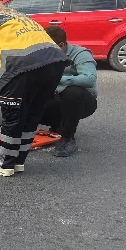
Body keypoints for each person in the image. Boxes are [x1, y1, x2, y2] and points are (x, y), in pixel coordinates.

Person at [0, 0, 68, 177]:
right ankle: (18, 161)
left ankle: (4, 164)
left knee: (12, 117)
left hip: (19, 69)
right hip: (54, 64)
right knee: (32, 114)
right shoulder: (19, 19)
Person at [40, 26, 98, 157]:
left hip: (83, 102)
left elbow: (89, 79)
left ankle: (68, 138)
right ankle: (55, 128)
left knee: (72, 93)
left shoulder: (80, 53)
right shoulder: (43, 54)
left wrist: (59, 80)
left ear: (61, 45)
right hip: (56, 97)